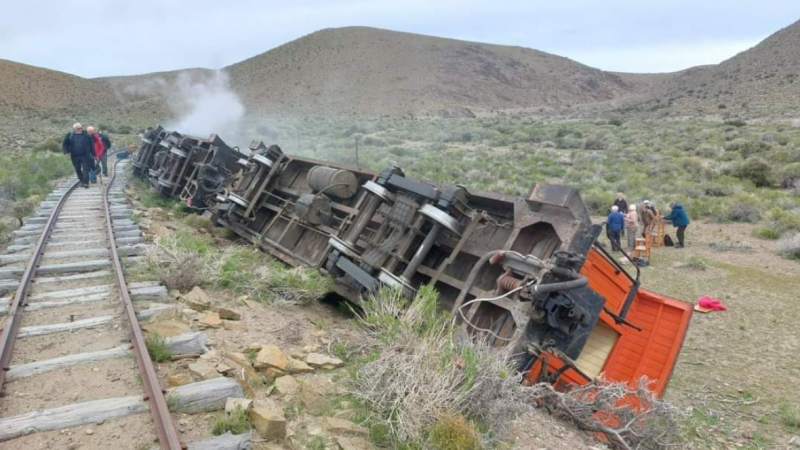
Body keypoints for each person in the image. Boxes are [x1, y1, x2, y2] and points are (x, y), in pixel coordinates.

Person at [62, 123, 95, 188]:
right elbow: (65, 143)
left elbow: (91, 145)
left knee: (86, 169)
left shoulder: (86, 135)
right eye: (78, 128)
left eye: (81, 128)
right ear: (74, 129)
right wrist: (66, 152)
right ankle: (82, 180)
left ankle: (86, 182)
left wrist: (94, 154)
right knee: (77, 168)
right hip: (74, 156)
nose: (80, 129)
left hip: (85, 155)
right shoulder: (70, 135)